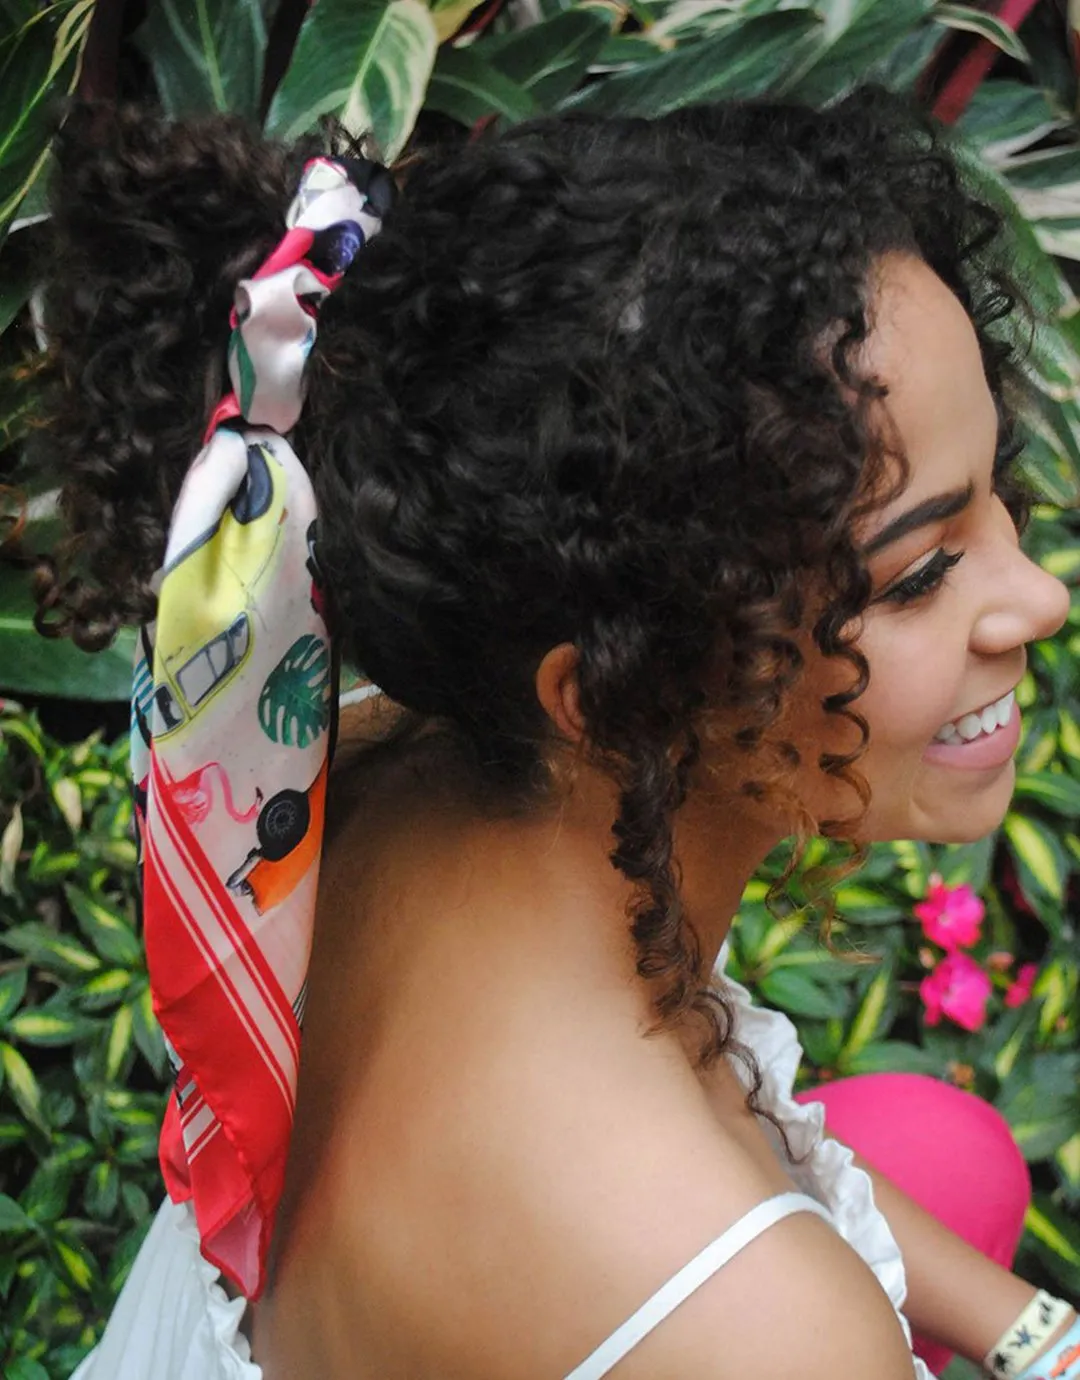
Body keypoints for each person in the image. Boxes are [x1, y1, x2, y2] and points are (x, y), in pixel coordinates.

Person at [38, 89, 1080, 1380]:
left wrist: (1037, 1329)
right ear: (603, 692)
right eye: (922, 573)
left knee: (943, 1154)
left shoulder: (365, 768)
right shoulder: (770, 1333)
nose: (1040, 597)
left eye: (1000, 503)